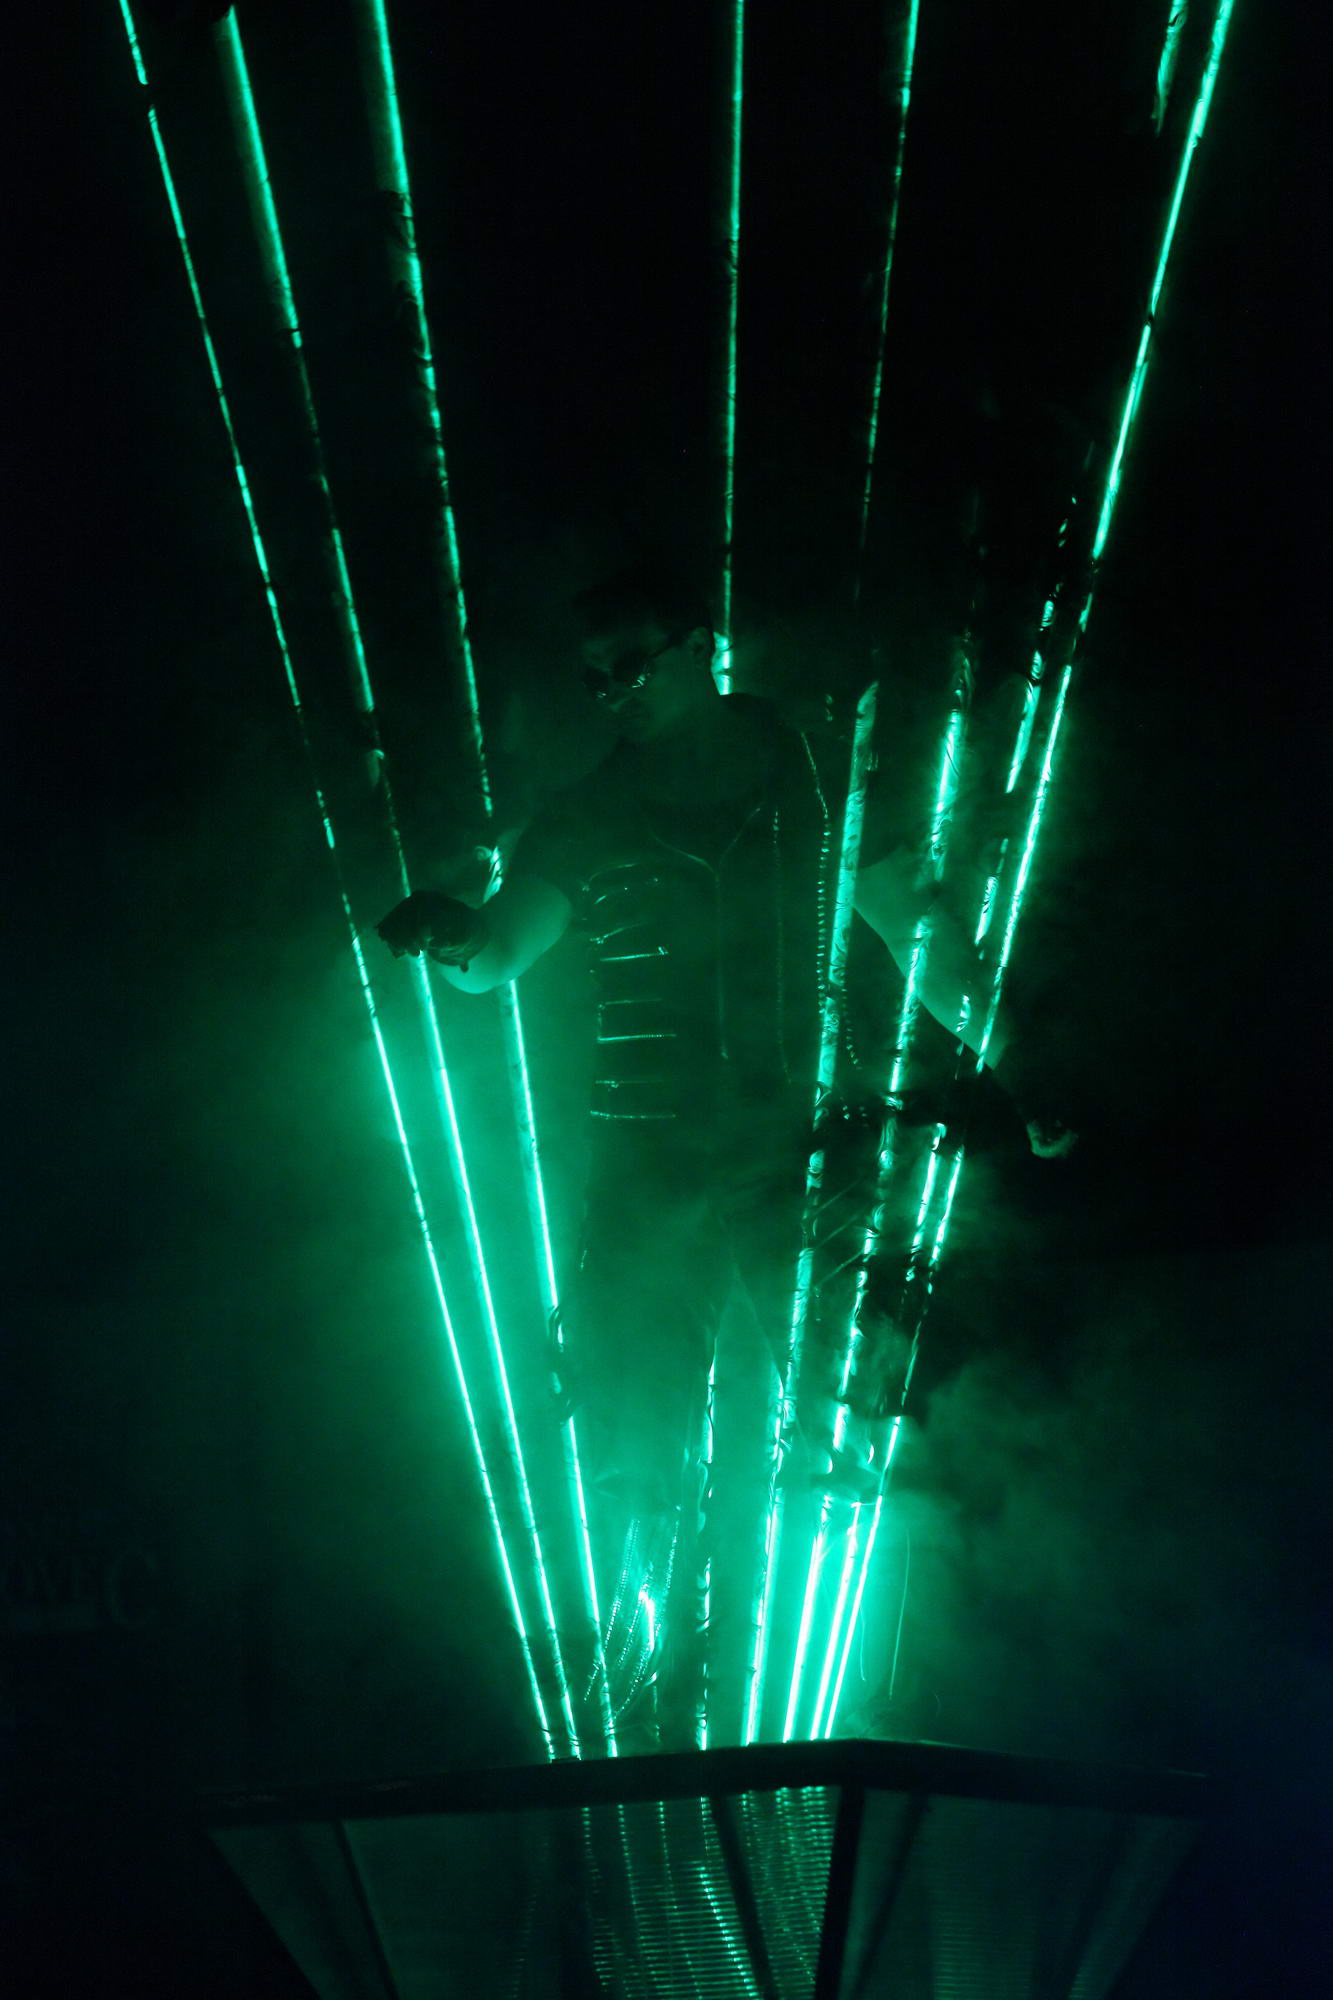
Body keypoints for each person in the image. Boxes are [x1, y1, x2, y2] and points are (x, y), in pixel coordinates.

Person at [377, 565, 1064, 1745]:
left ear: (700, 645)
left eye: (630, 664)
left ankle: (860, 1697)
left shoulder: (815, 772)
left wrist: (1017, 1059)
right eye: (594, 678)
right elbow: (501, 952)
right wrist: (451, 934)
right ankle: (643, 1692)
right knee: (630, 1427)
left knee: (838, 1413)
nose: (613, 692)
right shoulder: (589, 810)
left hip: (804, 1154)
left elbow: (916, 926)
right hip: (646, 1164)